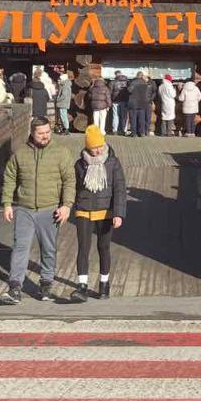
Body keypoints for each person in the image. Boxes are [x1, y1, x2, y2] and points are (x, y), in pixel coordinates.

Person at [0, 117, 73, 304]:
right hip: (25, 208)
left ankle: (46, 283)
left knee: (48, 248)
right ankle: (15, 287)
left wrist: (66, 205)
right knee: (20, 247)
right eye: (41, 133)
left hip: (50, 208)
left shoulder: (61, 153)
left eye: (48, 132)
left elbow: (69, 180)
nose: (45, 136)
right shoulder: (20, 153)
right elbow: (10, 177)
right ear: (32, 133)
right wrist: (7, 203)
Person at [72, 125, 126, 300]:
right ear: (87, 147)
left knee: (103, 247)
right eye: (94, 147)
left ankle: (104, 283)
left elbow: (119, 189)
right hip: (84, 210)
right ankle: (82, 286)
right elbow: (73, 187)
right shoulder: (80, 164)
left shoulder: (113, 163)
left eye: (100, 146)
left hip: (105, 212)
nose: (98, 150)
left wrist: (118, 213)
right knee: (83, 248)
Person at [127, 71, 152, 137]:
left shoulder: (133, 82)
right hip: (142, 103)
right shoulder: (145, 83)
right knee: (142, 119)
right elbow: (147, 94)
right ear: (142, 76)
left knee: (133, 119)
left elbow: (129, 90)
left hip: (134, 103)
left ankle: (134, 133)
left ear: (137, 75)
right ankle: (142, 133)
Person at [110, 70, 129, 135]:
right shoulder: (127, 82)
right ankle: (123, 130)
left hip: (115, 101)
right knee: (124, 116)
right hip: (125, 101)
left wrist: (110, 100)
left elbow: (110, 92)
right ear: (121, 74)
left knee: (115, 115)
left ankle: (115, 130)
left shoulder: (113, 82)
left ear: (115, 75)